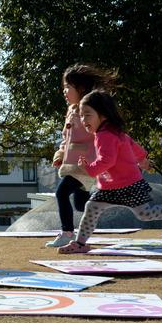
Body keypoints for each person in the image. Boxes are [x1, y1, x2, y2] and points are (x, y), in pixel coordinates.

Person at [58, 90, 162, 254]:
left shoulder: (104, 135)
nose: (83, 119)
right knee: (93, 207)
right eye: (81, 115)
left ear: (103, 115)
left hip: (128, 185)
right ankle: (80, 243)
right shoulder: (114, 132)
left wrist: (88, 168)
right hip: (110, 185)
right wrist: (142, 159)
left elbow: (107, 160)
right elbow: (132, 146)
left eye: (87, 115)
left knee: (144, 213)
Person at [46, 64, 118, 248]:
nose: (64, 91)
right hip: (71, 164)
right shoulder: (70, 111)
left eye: (68, 87)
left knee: (61, 193)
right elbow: (66, 137)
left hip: (85, 164)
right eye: (64, 87)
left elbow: (100, 135)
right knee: (80, 204)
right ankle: (103, 204)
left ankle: (67, 233)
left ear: (82, 89)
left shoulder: (89, 111)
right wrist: (60, 154)